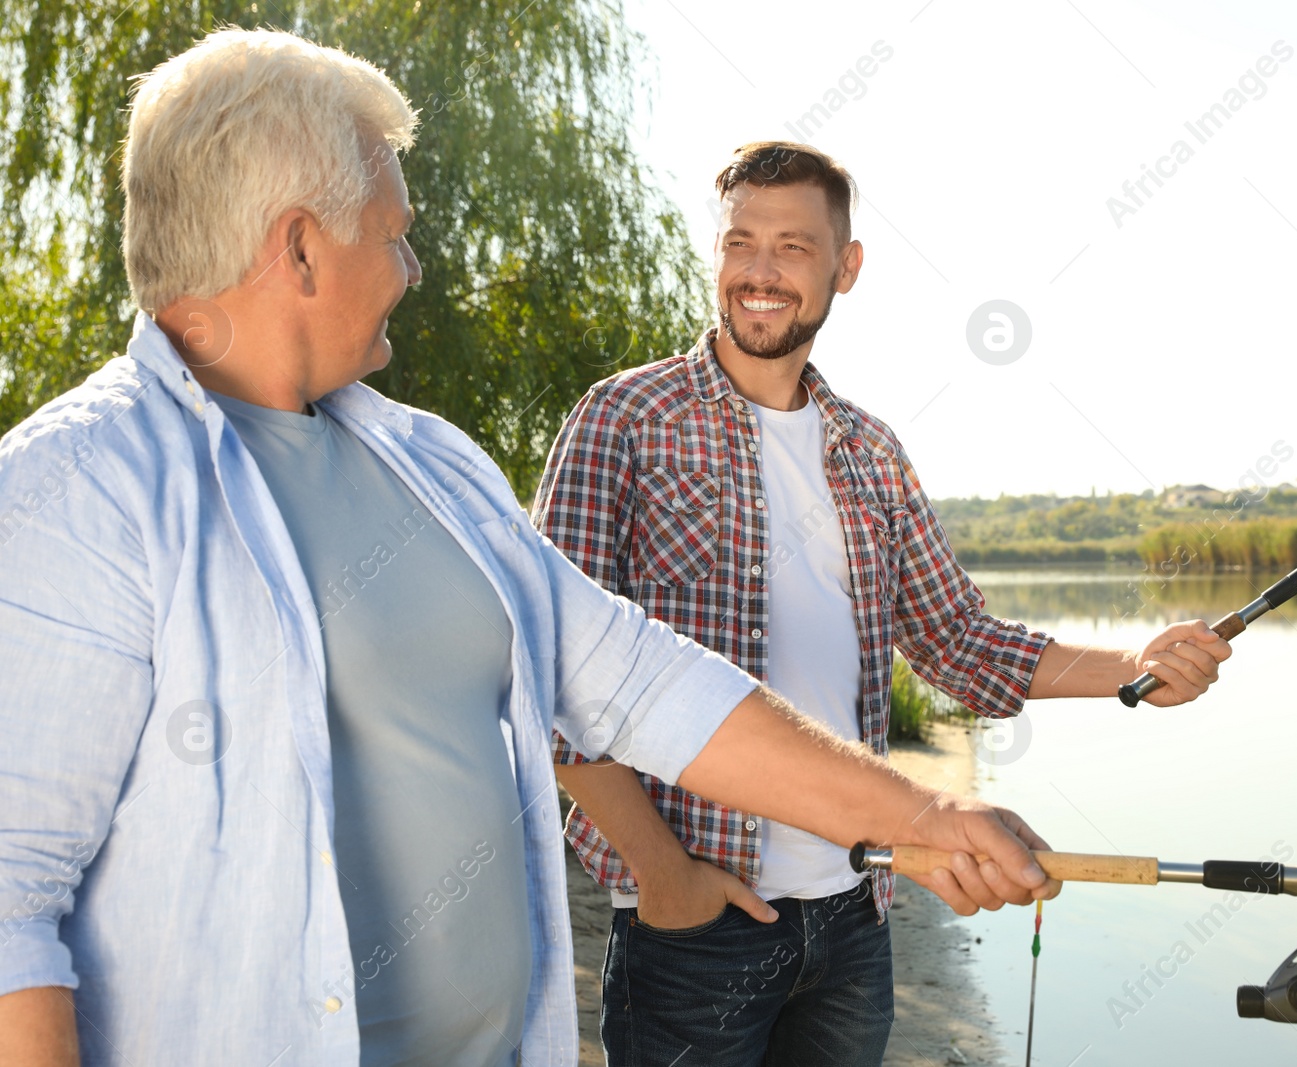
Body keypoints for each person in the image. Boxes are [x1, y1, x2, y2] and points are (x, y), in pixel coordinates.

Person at [0, 34, 1060, 1067]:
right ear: (302, 245)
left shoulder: (432, 462)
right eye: (392, 231)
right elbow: (9, 902)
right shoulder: (74, 491)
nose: (410, 268)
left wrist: (924, 810)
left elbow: (641, 679)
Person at [534, 141, 1234, 1066]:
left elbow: (958, 639)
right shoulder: (623, 419)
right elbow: (550, 671)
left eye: (791, 246)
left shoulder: (872, 450)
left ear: (845, 266)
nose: (759, 271)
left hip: (855, 913)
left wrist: (1133, 671)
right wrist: (665, 877)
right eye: (740, 242)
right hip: (695, 921)